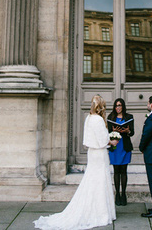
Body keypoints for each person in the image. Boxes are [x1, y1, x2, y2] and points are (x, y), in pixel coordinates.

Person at [34, 95, 116, 230]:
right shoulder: (99, 120)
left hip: (92, 153)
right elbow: (102, 140)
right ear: (101, 106)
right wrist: (112, 141)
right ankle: (101, 213)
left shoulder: (89, 118)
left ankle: (97, 210)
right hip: (100, 153)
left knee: (92, 180)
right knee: (100, 181)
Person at [107, 98, 134, 206]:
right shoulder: (110, 118)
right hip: (115, 147)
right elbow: (108, 132)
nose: (118, 108)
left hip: (125, 146)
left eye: (120, 105)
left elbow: (132, 132)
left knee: (124, 170)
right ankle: (117, 194)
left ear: (123, 106)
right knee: (116, 170)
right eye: (116, 106)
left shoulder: (129, 117)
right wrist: (114, 131)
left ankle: (124, 194)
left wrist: (127, 131)